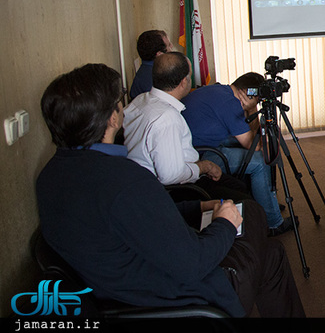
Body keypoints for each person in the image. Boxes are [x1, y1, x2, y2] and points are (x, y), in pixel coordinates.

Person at [36, 63, 305, 318]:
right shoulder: (125, 179)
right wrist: (224, 223)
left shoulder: (49, 177)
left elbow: (132, 218)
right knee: (253, 215)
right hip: (183, 296)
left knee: (272, 255)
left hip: (126, 285)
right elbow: (193, 264)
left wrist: (199, 207)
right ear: (111, 118)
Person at [124, 53, 251, 212]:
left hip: (150, 179)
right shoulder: (166, 119)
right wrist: (204, 166)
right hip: (177, 188)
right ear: (184, 82)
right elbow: (170, 176)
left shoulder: (141, 100)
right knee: (246, 204)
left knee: (239, 186)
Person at [181, 72, 292, 236]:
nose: (259, 102)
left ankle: (266, 200)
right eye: (257, 98)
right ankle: (273, 223)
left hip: (198, 143)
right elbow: (252, 145)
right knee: (261, 161)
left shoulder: (219, 91)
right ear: (248, 93)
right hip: (200, 156)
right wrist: (252, 108)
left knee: (259, 148)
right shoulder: (230, 104)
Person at [129, 29, 173, 100]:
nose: (171, 47)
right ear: (159, 54)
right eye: (169, 45)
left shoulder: (146, 71)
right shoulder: (156, 79)